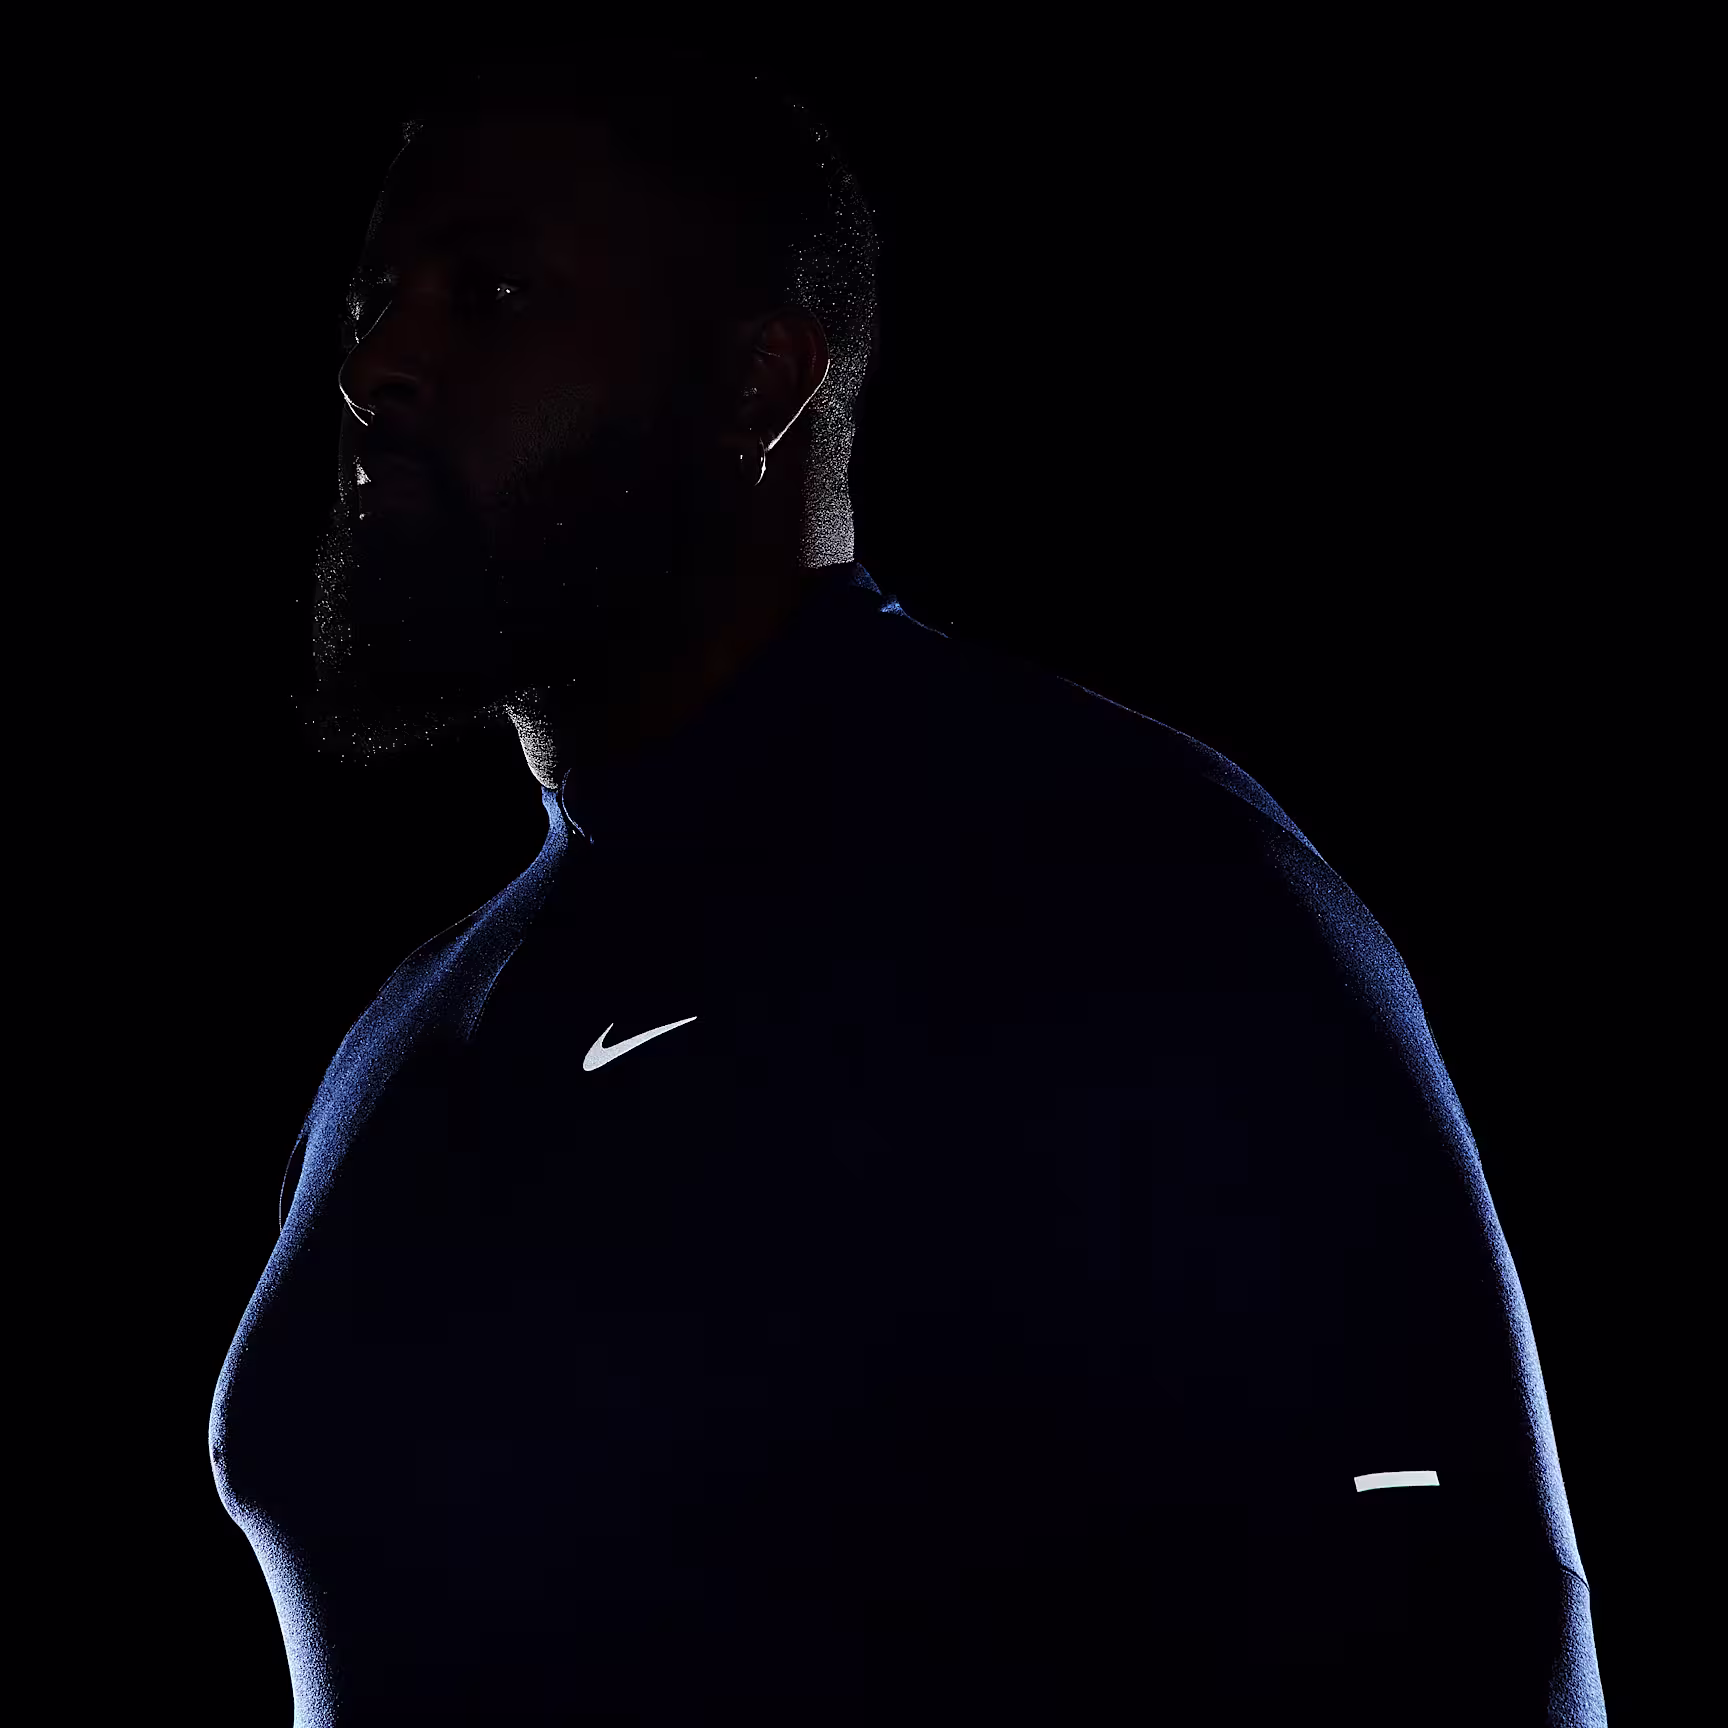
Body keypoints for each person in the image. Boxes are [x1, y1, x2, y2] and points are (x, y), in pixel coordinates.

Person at [208, 59, 1607, 1726]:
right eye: (370, 303)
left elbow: (1468, 1631)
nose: (376, 366)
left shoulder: (1113, 884)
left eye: (491, 293)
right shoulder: (402, 1034)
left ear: (757, 381)